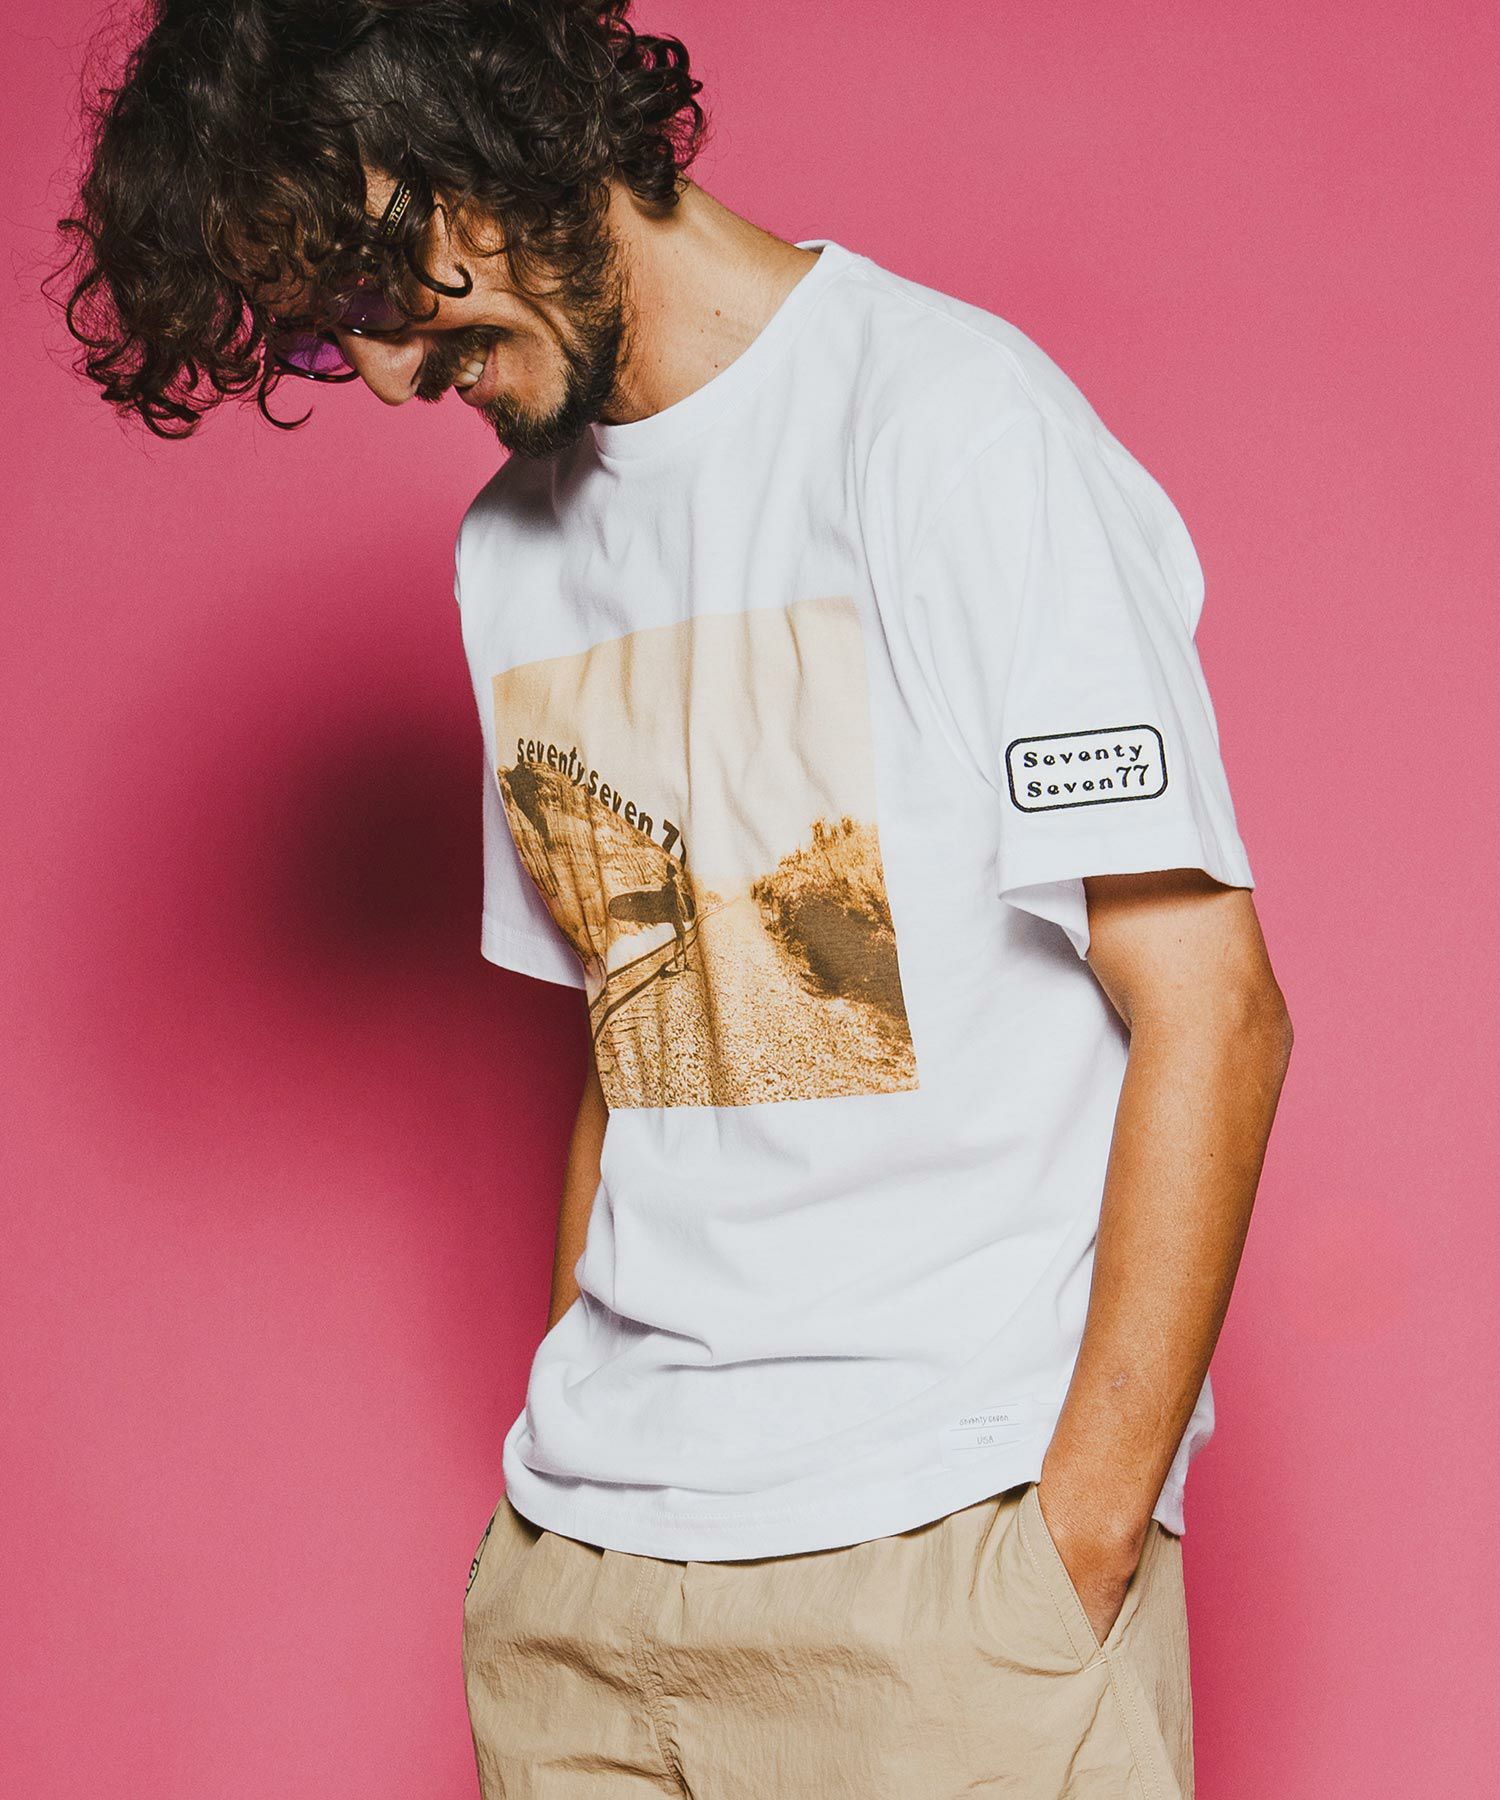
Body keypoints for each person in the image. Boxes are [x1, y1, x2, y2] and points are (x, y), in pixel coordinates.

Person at [53, 2, 1294, 1793]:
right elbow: (635, 1037)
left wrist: (1072, 1546)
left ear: (477, 134)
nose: (388, 377)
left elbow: (1214, 1008)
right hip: (587, 1594)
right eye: (332, 332)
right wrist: (558, 1507)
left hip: (938, 1576)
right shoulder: (510, 554)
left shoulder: (949, 427)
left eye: (375, 286)